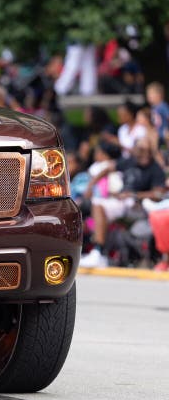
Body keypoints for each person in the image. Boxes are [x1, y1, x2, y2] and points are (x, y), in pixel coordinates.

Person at [80, 140, 166, 268]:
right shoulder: (130, 161)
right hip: (121, 200)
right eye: (141, 150)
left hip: (139, 205)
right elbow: (108, 168)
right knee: (93, 205)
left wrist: (135, 195)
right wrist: (91, 184)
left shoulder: (155, 169)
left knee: (99, 206)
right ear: (135, 151)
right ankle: (98, 252)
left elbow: (158, 194)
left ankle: (99, 252)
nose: (144, 154)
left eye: (148, 151)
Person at [146, 81, 169, 146]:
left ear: (159, 95)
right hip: (157, 132)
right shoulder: (153, 107)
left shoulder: (163, 106)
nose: (148, 96)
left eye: (150, 94)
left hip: (164, 132)